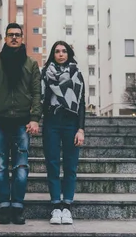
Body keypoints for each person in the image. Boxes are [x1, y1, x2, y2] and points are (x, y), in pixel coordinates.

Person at [0, 22, 42, 225]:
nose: (14, 37)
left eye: (17, 35)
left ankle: (18, 206)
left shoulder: (31, 64)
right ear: (5, 38)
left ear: (22, 38)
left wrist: (34, 118)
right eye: (10, 34)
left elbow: (37, 93)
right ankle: (4, 206)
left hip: (22, 124)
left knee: (21, 167)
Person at [40, 41, 86, 225]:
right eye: (57, 51)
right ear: (53, 54)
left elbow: (81, 103)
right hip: (51, 122)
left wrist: (81, 129)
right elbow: (41, 100)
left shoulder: (76, 74)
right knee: (52, 165)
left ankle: (67, 207)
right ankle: (55, 207)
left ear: (68, 54)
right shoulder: (45, 74)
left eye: (64, 51)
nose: (60, 54)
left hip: (70, 123)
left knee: (70, 166)